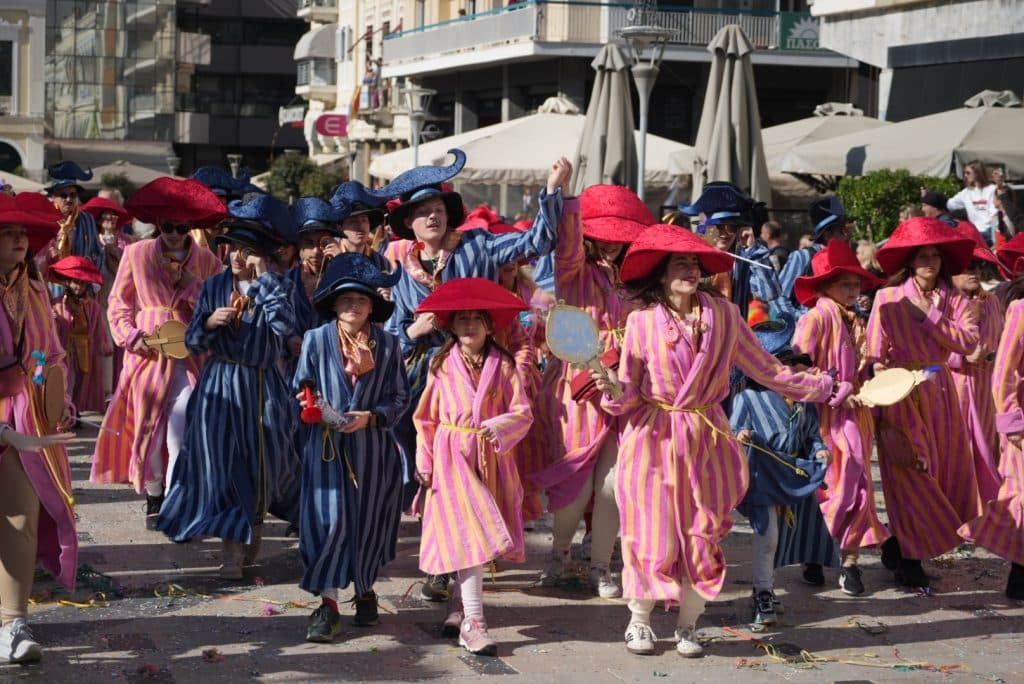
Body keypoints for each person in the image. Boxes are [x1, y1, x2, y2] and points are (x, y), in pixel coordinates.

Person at [598, 224, 835, 657]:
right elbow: (628, 394)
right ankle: (639, 621)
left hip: (707, 439)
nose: (690, 269)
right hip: (652, 438)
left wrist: (822, 387)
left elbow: (767, 369)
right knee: (650, 533)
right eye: (680, 263)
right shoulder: (640, 322)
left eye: (695, 262)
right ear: (661, 273)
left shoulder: (725, 315)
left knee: (701, 535)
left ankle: (688, 625)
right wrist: (610, 388)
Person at [384, 152, 569, 600]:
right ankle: (446, 561)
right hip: (428, 380)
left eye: (439, 209)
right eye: (423, 212)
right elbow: (392, 332)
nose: (432, 217)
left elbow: (540, 240)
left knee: (479, 470)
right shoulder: (401, 271)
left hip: (484, 377)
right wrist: (412, 331)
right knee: (433, 474)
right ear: (408, 223)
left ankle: (466, 560)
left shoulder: (480, 247)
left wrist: (552, 190)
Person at [157, 195, 299, 579]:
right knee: (223, 465)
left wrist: (264, 280)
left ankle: (252, 532)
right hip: (219, 387)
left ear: (262, 254)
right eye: (233, 248)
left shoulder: (279, 286)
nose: (237, 256)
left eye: (247, 249)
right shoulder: (215, 286)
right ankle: (231, 551)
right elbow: (192, 342)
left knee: (262, 467)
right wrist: (207, 324)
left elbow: (285, 328)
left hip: (263, 388)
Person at [532, 184, 651, 599]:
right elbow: (566, 250)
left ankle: (601, 564)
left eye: (620, 236)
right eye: (604, 235)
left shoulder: (636, 280)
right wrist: (565, 199)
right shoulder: (574, 271)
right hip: (578, 389)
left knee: (613, 484)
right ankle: (559, 556)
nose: (612, 243)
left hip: (625, 387)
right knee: (576, 484)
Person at [90, 178, 225, 528]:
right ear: (158, 224)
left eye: (182, 228)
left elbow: (217, 305)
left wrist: (192, 284)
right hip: (146, 354)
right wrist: (131, 337)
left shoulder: (207, 261)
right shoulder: (136, 254)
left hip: (190, 355)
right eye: (168, 227)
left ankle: (178, 497)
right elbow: (118, 304)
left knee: (182, 424)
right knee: (148, 425)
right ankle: (154, 494)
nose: (175, 234)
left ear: (191, 227)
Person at [413, 277, 534, 657]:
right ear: (451, 325)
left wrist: (499, 426)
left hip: (490, 457)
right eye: (461, 318)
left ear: (489, 325)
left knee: (472, 539)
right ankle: (474, 623)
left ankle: (458, 606)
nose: (468, 325)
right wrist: (424, 460)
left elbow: (522, 411)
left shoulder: (505, 365)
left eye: (476, 318)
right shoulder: (440, 365)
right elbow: (425, 418)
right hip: (451, 456)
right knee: (469, 532)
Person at [295, 253, 408, 641]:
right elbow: (301, 385)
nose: (354, 305)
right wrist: (312, 405)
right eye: (346, 298)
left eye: (361, 299)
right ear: (333, 304)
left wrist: (372, 417)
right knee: (328, 524)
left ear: (372, 306)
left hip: (373, 452)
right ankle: (327, 605)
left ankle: (365, 590)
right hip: (325, 451)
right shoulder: (315, 340)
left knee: (369, 523)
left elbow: (400, 397)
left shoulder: (388, 346)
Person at [865, 216, 981, 588]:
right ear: (910, 261)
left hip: (940, 389)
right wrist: (878, 371)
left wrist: (929, 316)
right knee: (909, 470)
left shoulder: (957, 299)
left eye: (935, 255)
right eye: (922, 256)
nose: (930, 262)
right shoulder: (887, 297)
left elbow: (969, 343)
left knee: (943, 472)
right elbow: (873, 351)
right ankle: (910, 559)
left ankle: (901, 544)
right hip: (899, 391)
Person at [0, 192, 80, 663]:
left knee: (20, 516)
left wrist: (57, 397)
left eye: (22, 233)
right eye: (7, 232)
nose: (18, 240)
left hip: (26, 418)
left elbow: (52, 353)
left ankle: (12, 623)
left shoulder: (33, 291)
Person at [792, 239, 891, 595]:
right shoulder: (815, 318)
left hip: (856, 416)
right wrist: (835, 388)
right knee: (833, 489)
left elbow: (860, 367)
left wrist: (874, 374)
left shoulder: (855, 321)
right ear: (825, 286)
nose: (853, 290)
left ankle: (849, 562)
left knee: (859, 489)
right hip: (823, 419)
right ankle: (816, 551)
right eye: (845, 284)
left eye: (856, 284)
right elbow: (797, 369)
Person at [731, 316, 831, 627]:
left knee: (785, 537)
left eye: (791, 362)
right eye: (782, 363)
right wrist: (741, 436)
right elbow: (732, 430)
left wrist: (819, 450)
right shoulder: (747, 397)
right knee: (768, 535)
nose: (788, 369)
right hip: (762, 475)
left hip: (792, 476)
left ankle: (766, 587)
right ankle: (763, 593)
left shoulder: (803, 400)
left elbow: (812, 435)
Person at [958, 261, 1024, 599]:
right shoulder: (1020, 310)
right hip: (1021, 422)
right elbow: (1004, 371)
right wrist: (1012, 422)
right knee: (1019, 498)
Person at [948, 221, 1006, 503]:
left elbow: (1003, 340)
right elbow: (925, 348)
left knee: (989, 450)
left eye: (979, 266)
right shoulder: (943, 302)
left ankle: (988, 509)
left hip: (986, 389)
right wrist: (961, 356)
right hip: (954, 388)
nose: (975, 272)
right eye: (967, 266)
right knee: (960, 451)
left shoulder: (992, 301)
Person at [80, 196, 133, 402]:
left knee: (119, 343)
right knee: (102, 344)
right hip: (97, 298)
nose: (110, 219)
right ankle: (102, 391)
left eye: (113, 216)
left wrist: (113, 253)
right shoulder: (91, 241)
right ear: (99, 220)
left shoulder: (127, 242)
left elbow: (125, 272)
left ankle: (119, 388)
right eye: (106, 216)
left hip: (119, 298)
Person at [49, 257, 112, 415]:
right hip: (65, 347)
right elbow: (50, 329)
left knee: (81, 381)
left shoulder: (94, 307)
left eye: (83, 283)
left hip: (85, 348)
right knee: (65, 379)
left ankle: (75, 409)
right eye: (76, 282)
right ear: (68, 282)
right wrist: (52, 319)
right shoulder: (57, 304)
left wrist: (103, 344)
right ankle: (63, 410)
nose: (79, 286)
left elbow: (99, 328)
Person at [778, 197, 854, 311]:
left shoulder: (845, 258)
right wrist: (801, 318)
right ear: (827, 235)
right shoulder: (803, 257)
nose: (848, 235)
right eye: (842, 231)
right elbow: (780, 296)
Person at [38, 162, 104, 284]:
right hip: (51, 283)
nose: (69, 199)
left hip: (80, 284)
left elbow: (98, 252)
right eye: (63, 195)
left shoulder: (87, 220)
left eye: (73, 195)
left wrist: (91, 279)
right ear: (54, 197)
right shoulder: (44, 219)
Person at [329, 181, 391, 272]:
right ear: (339, 228)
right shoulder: (329, 259)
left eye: (364, 220)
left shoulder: (382, 263)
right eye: (353, 221)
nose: (361, 226)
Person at [948, 161, 998, 245]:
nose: (965, 175)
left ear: (977, 173)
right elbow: (950, 204)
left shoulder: (992, 189)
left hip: (990, 231)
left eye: (968, 173)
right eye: (964, 173)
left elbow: (995, 215)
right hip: (975, 233)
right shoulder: (966, 192)